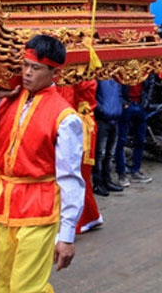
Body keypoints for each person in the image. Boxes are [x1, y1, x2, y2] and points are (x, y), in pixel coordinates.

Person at [0, 34, 84, 292]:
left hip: (39, 208)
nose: (27, 73)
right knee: (3, 281)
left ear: (55, 72)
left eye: (36, 68)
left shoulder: (65, 117)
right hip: (5, 203)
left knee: (27, 287)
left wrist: (66, 236)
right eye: (25, 65)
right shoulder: (7, 98)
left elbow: (71, 178)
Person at [57, 80, 104, 233]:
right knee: (80, 176)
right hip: (81, 125)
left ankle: (82, 219)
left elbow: (66, 101)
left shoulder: (74, 76)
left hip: (80, 128)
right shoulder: (76, 74)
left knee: (76, 176)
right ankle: (91, 216)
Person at [115, 77, 154, 188]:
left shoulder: (145, 66)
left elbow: (150, 83)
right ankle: (121, 173)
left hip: (140, 105)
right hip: (127, 105)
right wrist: (123, 102)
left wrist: (146, 102)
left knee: (141, 140)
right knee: (121, 141)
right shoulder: (123, 66)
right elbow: (117, 84)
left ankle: (135, 171)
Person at [92, 79, 124, 195]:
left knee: (110, 153)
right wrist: (102, 110)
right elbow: (92, 97)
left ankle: (107, 180)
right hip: (102, 120)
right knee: (100, 153)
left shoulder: (116, 79)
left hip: (115, 118)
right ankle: (98, 183)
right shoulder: (98, 78)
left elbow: (120, 95)